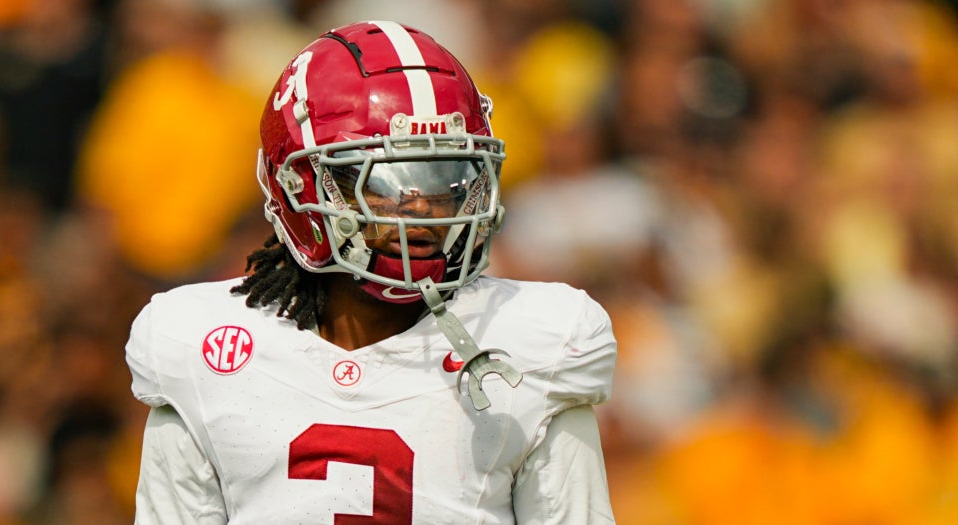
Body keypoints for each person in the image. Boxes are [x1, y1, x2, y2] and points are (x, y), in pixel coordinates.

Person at [125, 21, 617, 524]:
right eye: (389, 180)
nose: (423, 206)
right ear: (301, 185)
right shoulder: (202, 352)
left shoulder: (532, 347)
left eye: (446, 176)